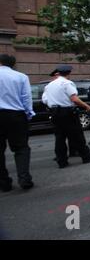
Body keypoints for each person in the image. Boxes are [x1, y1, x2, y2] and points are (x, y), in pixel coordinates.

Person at [42, 65, 90, 168]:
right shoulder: (67, 83)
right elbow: (74, 99)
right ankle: (86, 156)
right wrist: (86, 106)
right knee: (77, 136)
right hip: (67, 112)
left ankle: (61, 161)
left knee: (59, 138)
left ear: (58, 73)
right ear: (69, 73)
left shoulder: (49, 85)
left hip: (54, 113)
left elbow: (45, 100)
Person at [0, 54, 34, 191]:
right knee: (21, 148)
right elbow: (26, 97)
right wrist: (28, 114)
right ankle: (24, 178)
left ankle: (3, 182)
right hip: (16, 115)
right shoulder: (21, 77)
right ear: (13, 64)